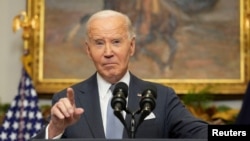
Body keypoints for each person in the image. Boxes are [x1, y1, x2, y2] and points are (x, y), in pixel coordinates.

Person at [33, 9, 208, 139]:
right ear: (88, 50)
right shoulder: (66, 100)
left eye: (116, 42)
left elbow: (199, 132)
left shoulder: (161, 97)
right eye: (99, 43)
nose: (108, 52)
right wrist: (55, 129)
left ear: (131, 46)